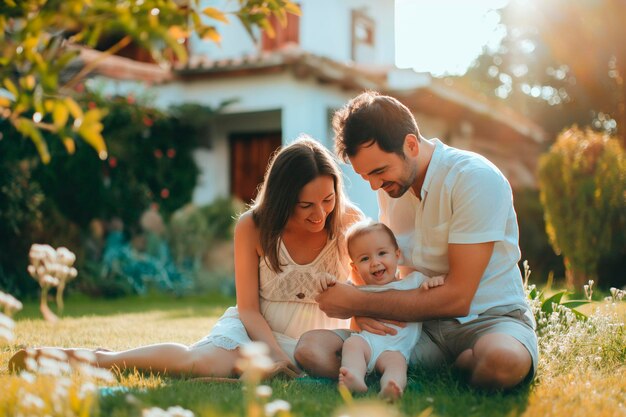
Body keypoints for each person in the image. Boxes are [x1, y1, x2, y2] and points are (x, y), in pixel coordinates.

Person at [9, 136, 361, 378]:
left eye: (327, 200)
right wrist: (276, 356)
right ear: (284, 199)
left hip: (319, 341)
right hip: (257, 331)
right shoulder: (252, 226)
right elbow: (248, 308)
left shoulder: (349, 223)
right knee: (198, 364)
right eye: (306, 205)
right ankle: (91, 359)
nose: (320, 214)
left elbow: (370, 290)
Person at [295, 91, 538, 390]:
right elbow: (388, 269)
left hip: (488, 319)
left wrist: (356, 301)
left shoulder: (474, 179)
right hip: (416, 327)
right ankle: (401, 372)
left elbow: (458, 298)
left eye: (379, 171)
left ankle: (441, 366)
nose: (374, 185)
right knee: (311, 348)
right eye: (365, 175)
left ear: (411, 144)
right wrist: (362, 309)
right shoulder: (391, 189)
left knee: (504, 362)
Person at [338, 220, 444, 401]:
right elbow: (343, 302)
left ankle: (390, 387)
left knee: (397, 366)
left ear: (397, 255)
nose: (375, 262)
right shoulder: (361, 292)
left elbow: (440, 287)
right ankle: (355, 376)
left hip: (396, 349)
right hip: (368, 343)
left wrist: (435, 281)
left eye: (382, 253)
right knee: (352, 344)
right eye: (365, 258)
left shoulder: (412, 282)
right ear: (355, 267)